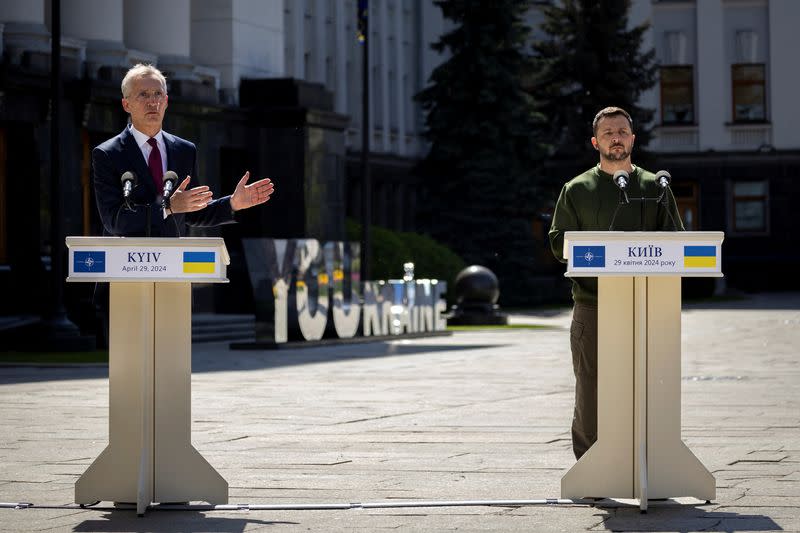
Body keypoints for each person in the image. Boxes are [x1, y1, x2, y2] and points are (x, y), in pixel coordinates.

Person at [548, 106, 684, 460]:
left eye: (622, 131)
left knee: (649, 388)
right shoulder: (577, 189)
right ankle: (591, 468)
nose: (616, 138)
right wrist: (600, 251)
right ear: (596, 142)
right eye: (608, 133)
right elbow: (558, 241)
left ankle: (650, 465)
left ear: (633, 138)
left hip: (647, 306)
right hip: (593, 305)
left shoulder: (657, 186)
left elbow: (677, 242)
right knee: (590, 390)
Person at [93, 63, 274, 237]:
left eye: (158, 94)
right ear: (126, 105)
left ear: (166, 102)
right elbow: (113, 221)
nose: (152, 102)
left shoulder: (184, 150)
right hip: (127, 263)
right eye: (143, 95)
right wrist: (168, 207)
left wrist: (233, 203)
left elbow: (193, 212)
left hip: (172, 260)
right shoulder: (107, 154)